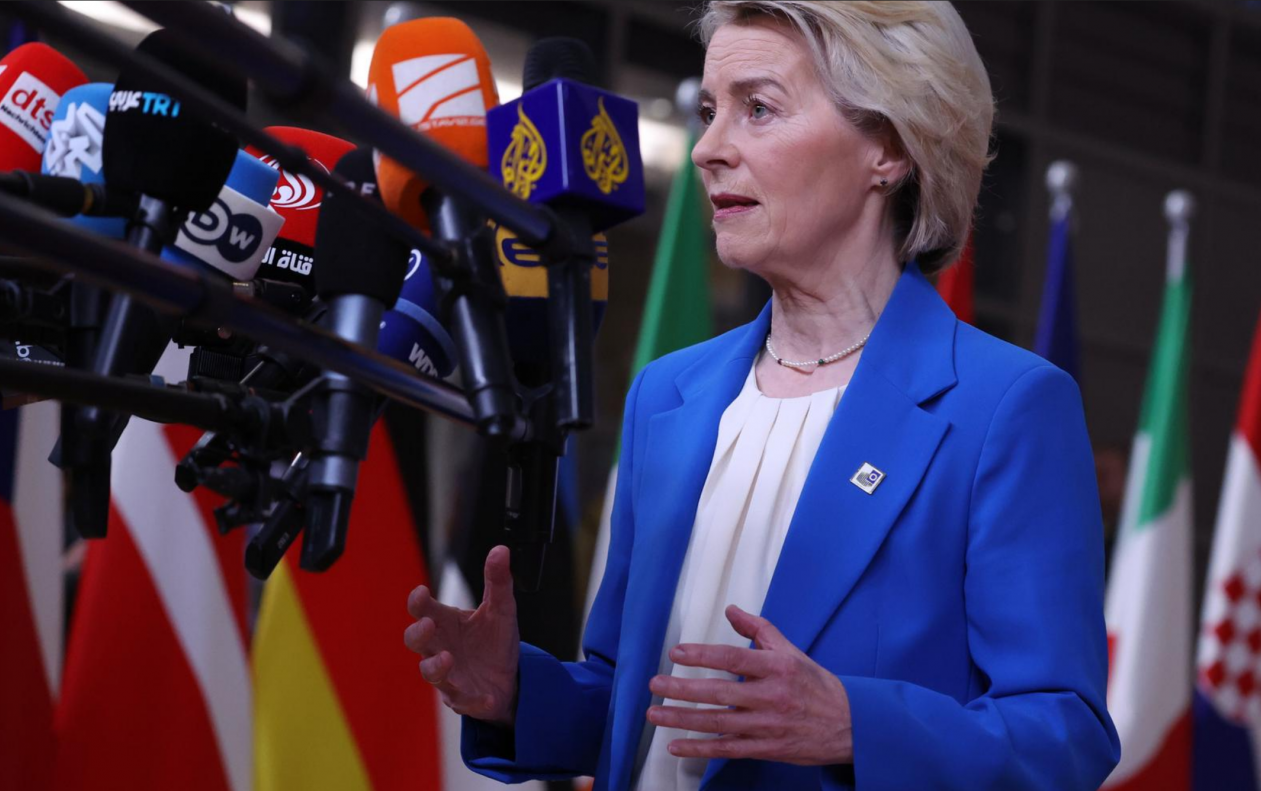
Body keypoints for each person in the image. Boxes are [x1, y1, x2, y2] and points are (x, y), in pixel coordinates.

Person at [403, 2, 1119, 788]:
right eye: (710, 111)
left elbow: (1064, 738)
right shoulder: (667, 395)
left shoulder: (1004, 408)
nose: (708, 149)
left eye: (759, 109)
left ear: (888, 148)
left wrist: (855, 725)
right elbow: (636, 697)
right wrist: (519, 692)